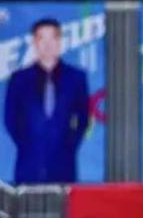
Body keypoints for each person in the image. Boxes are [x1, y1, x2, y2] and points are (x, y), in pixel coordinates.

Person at [4, 18, 89, 184]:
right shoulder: (18, 79)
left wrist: (69, 146)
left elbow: (83, 118)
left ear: (60, 42)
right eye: (42, 38)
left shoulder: (76, 78)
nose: (48, 44)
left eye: (53, 38)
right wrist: (27, 144)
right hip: (28, 166)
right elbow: (10, 119)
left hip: (64, 167)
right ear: (34, 43)